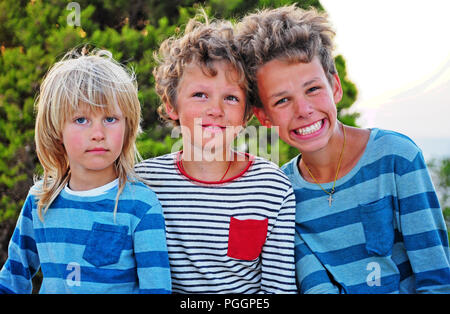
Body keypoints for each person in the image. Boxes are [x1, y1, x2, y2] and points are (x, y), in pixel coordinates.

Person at [236, 5, 450, 293]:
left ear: (335, 86)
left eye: (313, 89)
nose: (304, 110)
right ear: (264, 117)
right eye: (282, 101)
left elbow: (436, 279)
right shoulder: (281, 192)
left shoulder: (396, 157)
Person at [135, 15, 298, 293]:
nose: (216, 109)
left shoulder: (271, 187)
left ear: (247, 114)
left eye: (231, 98)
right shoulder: (143, 184)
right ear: (171, 105)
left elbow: (277, 290)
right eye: (200, 94)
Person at [0, 48, 171, 294]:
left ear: (127, 126)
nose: (98, 133)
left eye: (110, 119)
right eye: (81, 120)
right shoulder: (40, 201)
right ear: (57, 131)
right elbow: (12, 279)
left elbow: (157, 289)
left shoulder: (141, 205)